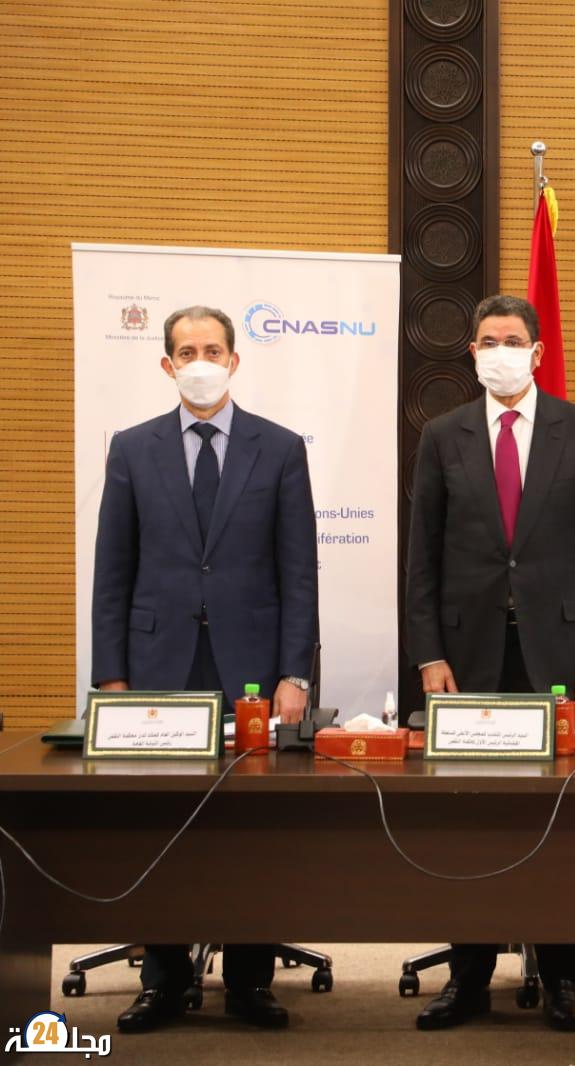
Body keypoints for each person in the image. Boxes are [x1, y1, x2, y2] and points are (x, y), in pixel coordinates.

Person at [92, 305, 319, 1033]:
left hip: (252, 667)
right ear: (166, 364)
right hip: (156, 666)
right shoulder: (132, 448)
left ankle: (251, 980)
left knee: (252, 828)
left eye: (212, 350)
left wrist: (295, 674)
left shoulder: (279, 448)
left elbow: (299, 573)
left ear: (233, 361)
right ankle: (163, 979)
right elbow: (112, 571)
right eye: (186, 351)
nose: (200, 362)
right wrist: (113, 679)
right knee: (161, 826)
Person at [406, 294, 575, 1033]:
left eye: (513, 340)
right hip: (466, 653)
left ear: (536, 352)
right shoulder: (443, 435)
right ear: (472, 352)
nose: (499, 351)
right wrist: (428, 652)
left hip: (557, 648)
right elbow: (422, 556)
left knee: (560, 823)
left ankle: (561, 977)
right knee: (470, 820)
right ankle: (467, 977)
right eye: (488, 340)